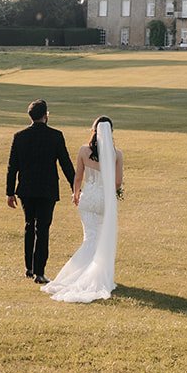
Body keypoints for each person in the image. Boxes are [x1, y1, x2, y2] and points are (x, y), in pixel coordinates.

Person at [42, 116, 123, 303]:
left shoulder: (83, 151)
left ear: (93, 130)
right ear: (111, 132)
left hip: (88, 199)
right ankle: (94, 274)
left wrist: (76, 193)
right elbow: (117, 182)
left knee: (90, 237)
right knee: (100, 238)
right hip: (104, 200)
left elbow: (78, 177)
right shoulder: (117, 154)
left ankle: (82, 273)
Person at [5, 98, 76, 283]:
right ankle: (39, 272)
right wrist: (75, 186)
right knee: (42, 228)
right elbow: (66, 163)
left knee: (29, 225)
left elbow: (12, 167)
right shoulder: (55, 136)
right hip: (47, 189)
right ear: (46, 115)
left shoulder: (19, 136)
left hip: (26, 189)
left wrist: (10, 192)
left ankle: (29, 267)